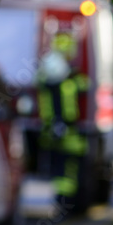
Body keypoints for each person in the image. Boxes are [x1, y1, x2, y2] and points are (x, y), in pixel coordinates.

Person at [37, 31, 89, 213]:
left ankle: (66, 204)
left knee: (62, 171)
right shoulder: (68, 84)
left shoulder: (50, 85)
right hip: (67, 135)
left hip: (59, 134)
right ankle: (67, 204)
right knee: (67, 172)